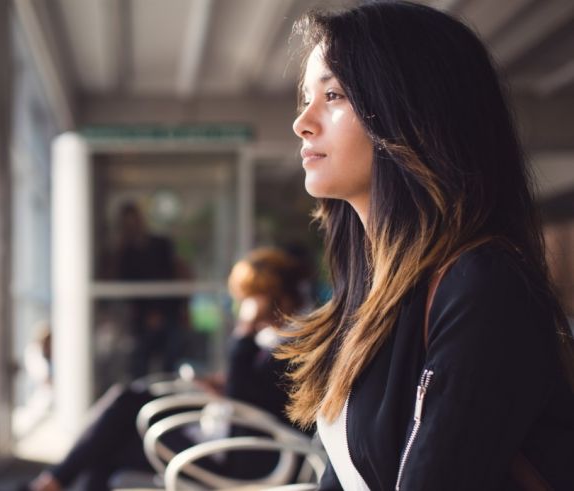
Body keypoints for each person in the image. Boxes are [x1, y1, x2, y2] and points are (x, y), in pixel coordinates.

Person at [277, 2, 574, 490]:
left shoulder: (482, 286)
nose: (302, 123)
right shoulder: (370, 297)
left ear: (408, 112)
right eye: (305, 99)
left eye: (333, 95)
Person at [30, 247, 313, 491]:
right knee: (112, 436)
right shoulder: (277, 342)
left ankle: (52, 481)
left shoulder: (288, 346)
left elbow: (247, 399)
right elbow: (257, 395)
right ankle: (54, 481)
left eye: (249, 297)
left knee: (125, 408)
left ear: (269, 296)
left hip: (243, 458)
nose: (242, 306)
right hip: (234, 444)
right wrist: (221, 385)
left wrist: (243, 334)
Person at [102, 201, 187, 379]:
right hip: (140, 319)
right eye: (127, 223)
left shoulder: (161, 244)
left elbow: (171, 276)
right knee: (138, 362)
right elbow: (123, 286)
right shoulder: (124, 253)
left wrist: (167, 311)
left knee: (171, 361)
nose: (132, 226)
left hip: (168, 312)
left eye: (135, 221)